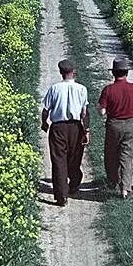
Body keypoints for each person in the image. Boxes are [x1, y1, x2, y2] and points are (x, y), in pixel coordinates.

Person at [41, 59, 90, 206]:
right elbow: (85, 113)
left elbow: (45, 110)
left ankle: (62, 195)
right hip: (75, 127)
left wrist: (44, 123)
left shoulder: (54, 88)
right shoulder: (82, 89)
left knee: (58, 161)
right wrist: (86, 130)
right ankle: (74, 183)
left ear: (61, 72)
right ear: (73, 72)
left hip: (58, 127)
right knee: (75, 157)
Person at [98, 57, 133, 199]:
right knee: (126, 155)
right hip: (130, 124)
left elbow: (102, 111)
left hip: (114, 124)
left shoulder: (108, 90)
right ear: (127, 72)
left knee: (111, 154)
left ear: (114, 73)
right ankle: (125, 189)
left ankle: (113, 181)